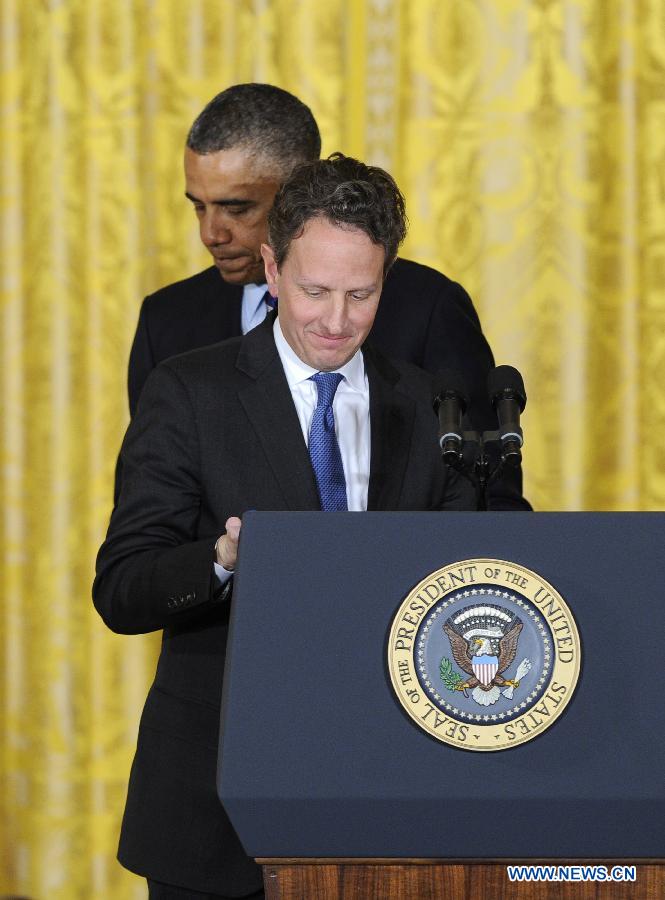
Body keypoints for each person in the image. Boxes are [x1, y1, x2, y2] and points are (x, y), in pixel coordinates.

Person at [94, 154, 478, 898]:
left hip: (389, 804)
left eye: (360, 294)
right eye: (313, 291)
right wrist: (224, 558)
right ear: (271, 269)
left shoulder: (433, 407)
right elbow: (122, 588)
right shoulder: (189, 392)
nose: (336, 321)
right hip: (214, 813)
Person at [126, 82, 529, 510]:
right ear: (273, 269)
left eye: (237, 208)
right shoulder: (168, 321)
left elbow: (490, 505)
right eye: (198, 207)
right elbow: (144, 535)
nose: (211, 233)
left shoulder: (428, 308)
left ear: (296, 193)